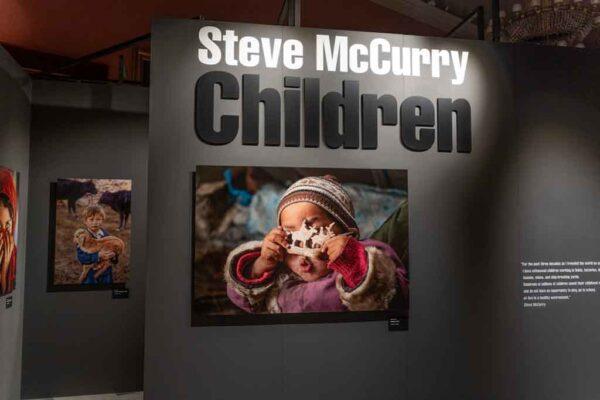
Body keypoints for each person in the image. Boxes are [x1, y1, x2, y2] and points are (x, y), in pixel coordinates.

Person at [224, 175, 409, 315]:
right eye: (291, 238)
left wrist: (353, 261)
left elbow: (394, 298)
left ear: (347, 234)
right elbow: (242, 299)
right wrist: (261, 264)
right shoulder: (279, 274)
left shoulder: (369, 255)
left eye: (314, 233)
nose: (303, 255)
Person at [76, 205, 115, 284]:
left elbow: (112, 249)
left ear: (102, 220)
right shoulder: (83, 237)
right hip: (90, 273)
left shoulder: (106, 235)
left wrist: (113, 255)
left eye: (98, 219)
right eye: (91, 219)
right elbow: (81, 257)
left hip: (106, 272)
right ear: (85, 221)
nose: (95, 222)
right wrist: (98, 255)